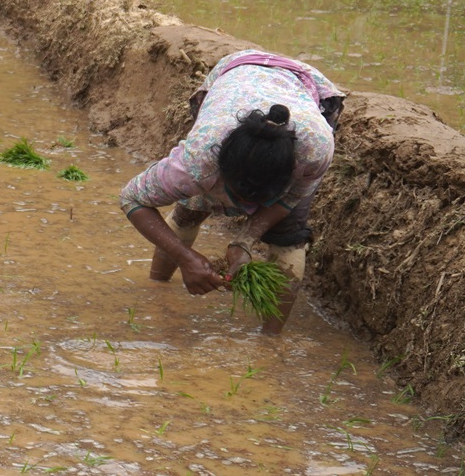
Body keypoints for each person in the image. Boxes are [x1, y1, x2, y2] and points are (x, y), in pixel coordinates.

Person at [120, 49, 345, 334]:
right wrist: (185, 257)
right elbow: (130, 198)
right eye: (238, 196)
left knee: (288, 233)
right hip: (236, 74)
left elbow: (291, 197)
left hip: (302, 85)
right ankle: (157, 292)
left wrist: (245, 240)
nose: (245, 207)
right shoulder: (198, 159)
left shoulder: (314, 150)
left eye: (260, 199)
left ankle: (270, 342)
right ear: (220, 170)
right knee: (191, 207)